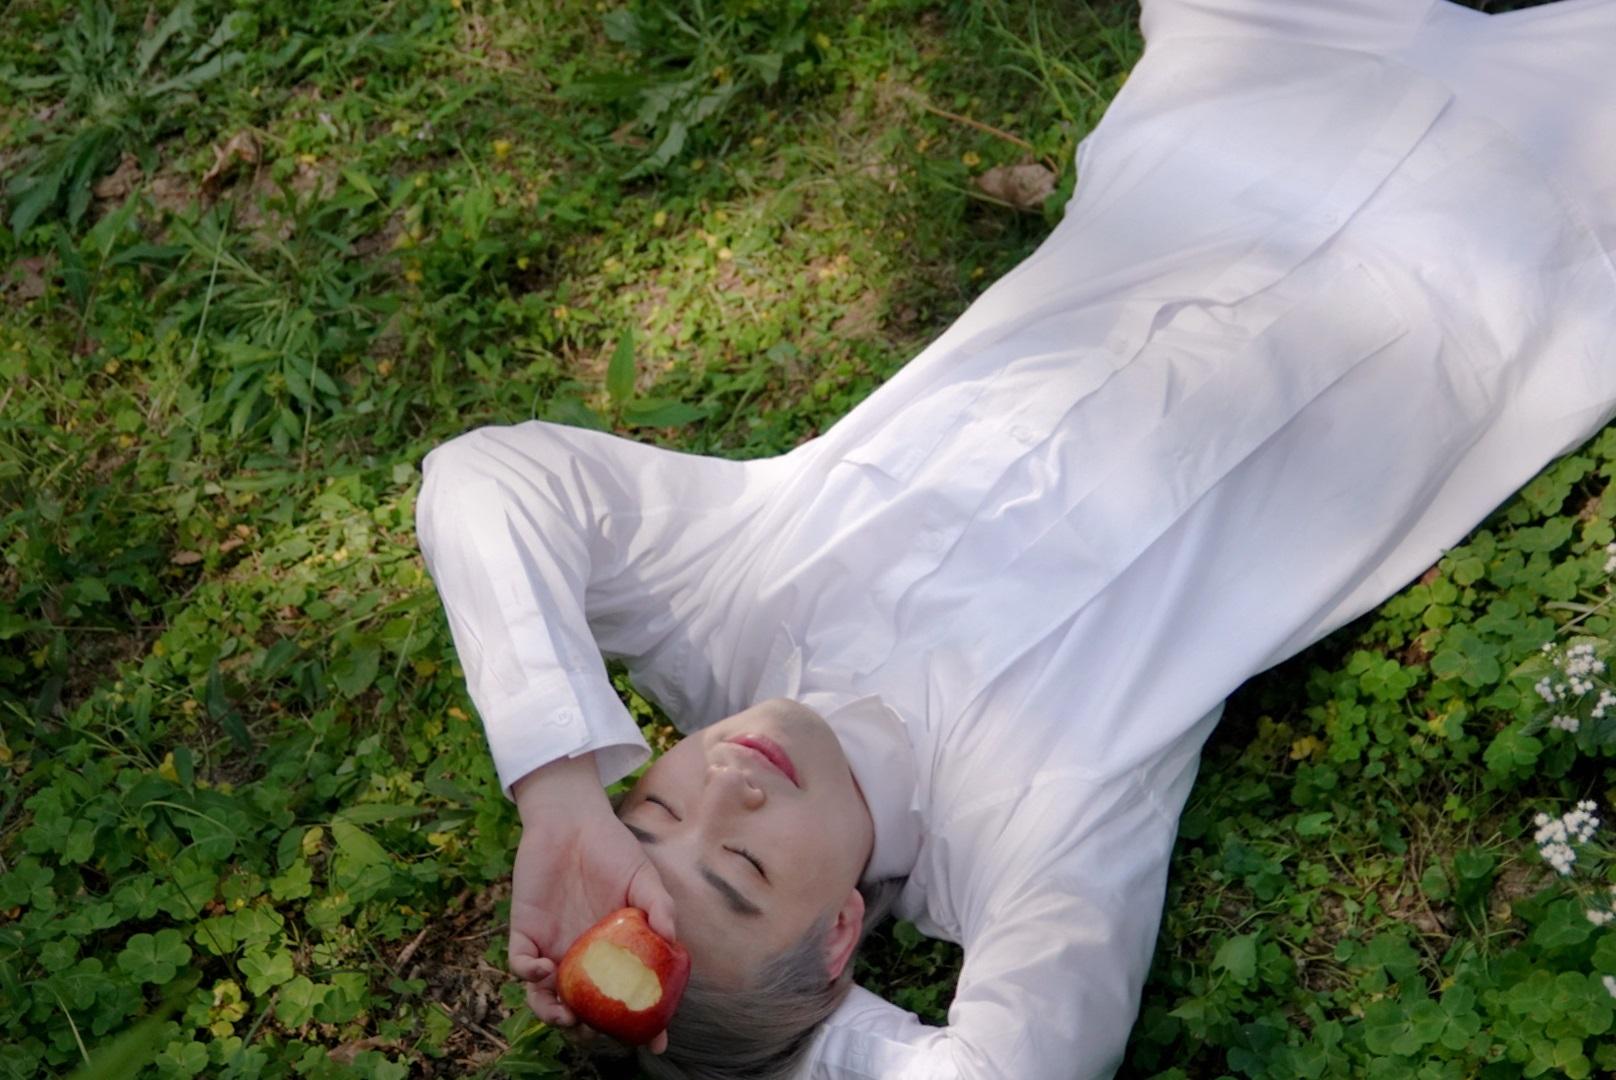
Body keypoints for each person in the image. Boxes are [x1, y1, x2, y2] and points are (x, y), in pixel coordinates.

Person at [414, 0, 1616, 1076]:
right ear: (838, 937)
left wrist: (559, 798)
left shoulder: (725, 601)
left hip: (1250, 82)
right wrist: (776, 1044)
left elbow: (488, 482)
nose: (724, 786)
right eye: (744, 868)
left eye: (654, 812)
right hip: (1519, 230)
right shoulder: (1041, 838)